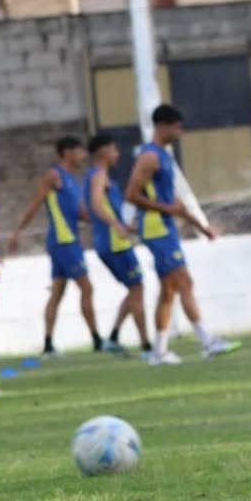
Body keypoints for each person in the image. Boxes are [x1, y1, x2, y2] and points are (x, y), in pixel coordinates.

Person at [124, 104, 241, 365]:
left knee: (169, 289)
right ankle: (207, 342)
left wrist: (202, 227)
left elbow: (174, 201)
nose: (180, 132)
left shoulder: (164, 157)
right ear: (162, 126)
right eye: (176, 127)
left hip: (164, 226)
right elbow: (131, 194)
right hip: (155, 228)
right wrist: (167, 210)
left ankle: (159, 352)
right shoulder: (149, 157)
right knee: (184, 281)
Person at [8, 135, 102, 357]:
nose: (83, 156)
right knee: (87, 288)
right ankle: (97, 339)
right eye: (79, 151)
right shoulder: (54, 176)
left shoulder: (72, 180)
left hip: (67, 241)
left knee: (57, 292)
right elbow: (35, 204)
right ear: (67, 152)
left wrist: (105, 221)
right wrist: (18, 231)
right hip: (63, 241)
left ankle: (48, 344)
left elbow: (79, 212)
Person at [83, 133, 151, 358]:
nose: (117, 154)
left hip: (113, 241)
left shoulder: (98, 176)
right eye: (113, 149)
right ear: (102, 151)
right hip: (114, 244)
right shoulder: (98, 175)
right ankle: (147, 347)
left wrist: (124, 224)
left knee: (135, 288)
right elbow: (96, 203)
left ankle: (114, 336)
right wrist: (115, 225)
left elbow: (101, 206)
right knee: (137, 289)